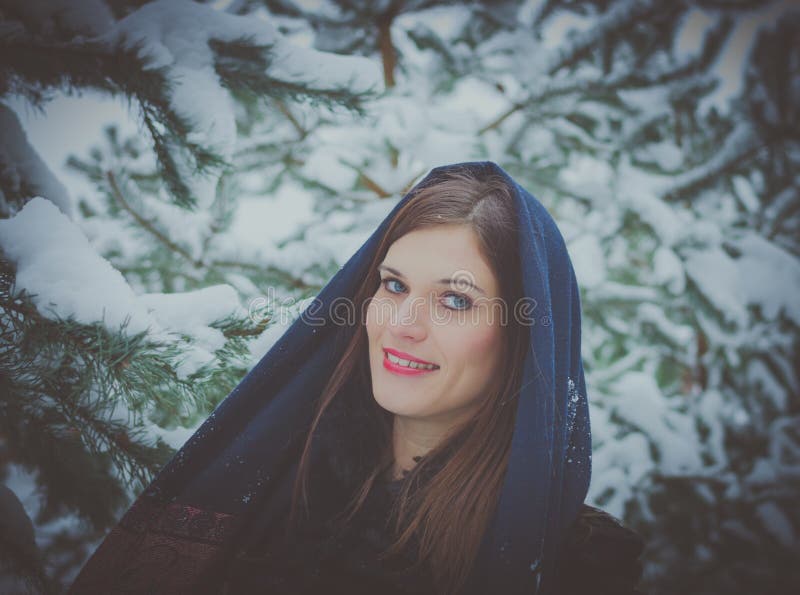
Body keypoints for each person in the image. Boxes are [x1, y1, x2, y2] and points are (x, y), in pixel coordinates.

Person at [68, 161, 644, 595]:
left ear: (525, 337)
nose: (403, 325)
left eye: (454, 300)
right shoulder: (268, 485)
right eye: (393, 286)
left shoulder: (576, 565)